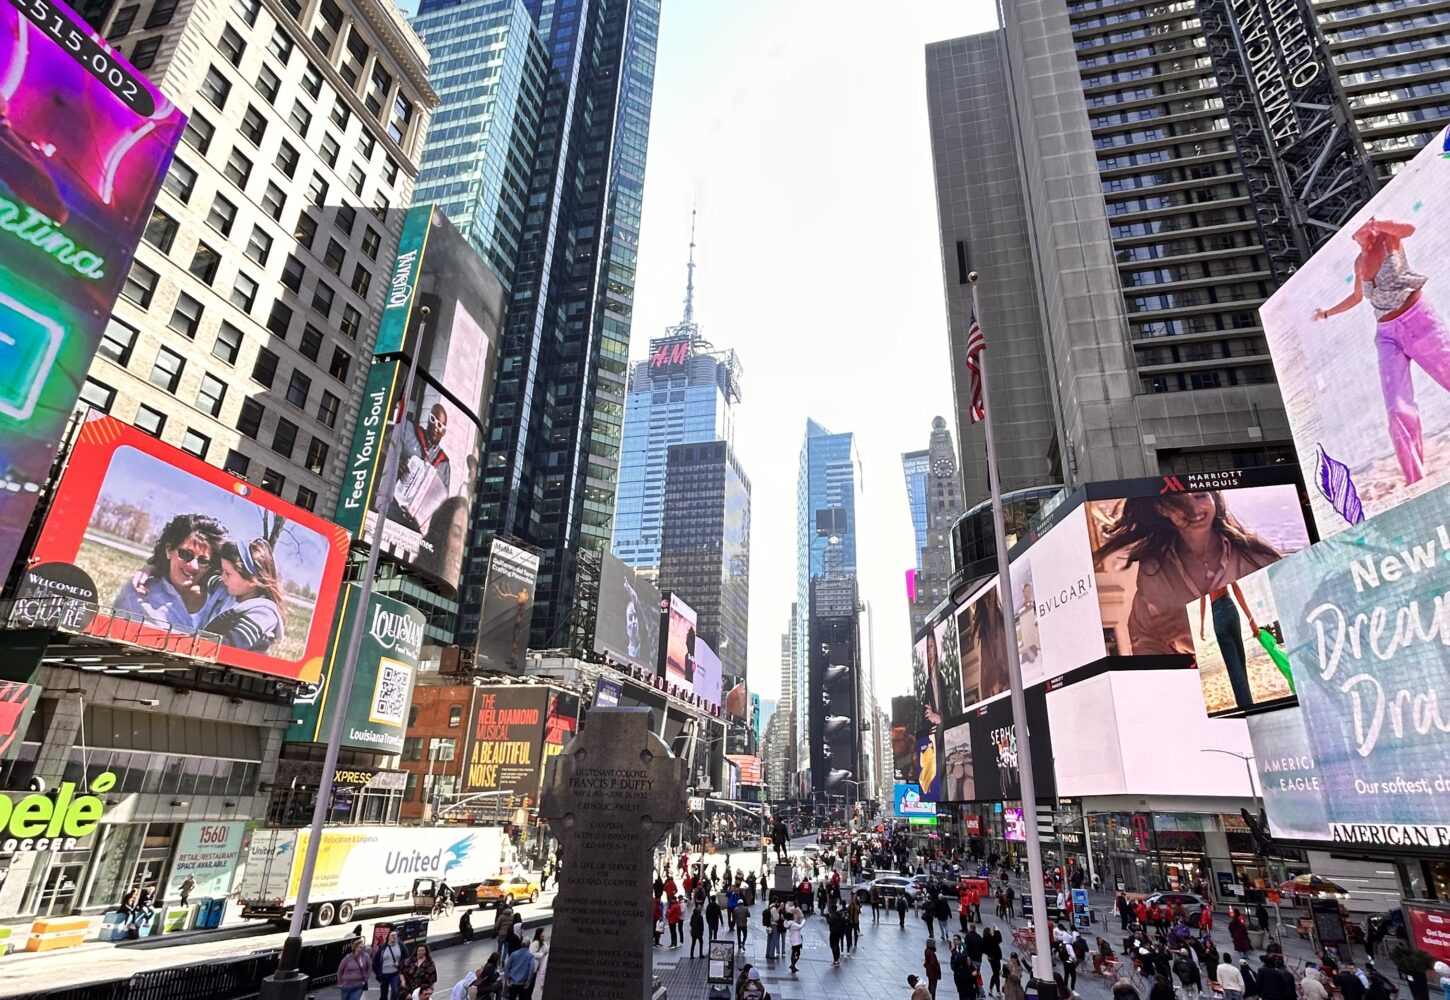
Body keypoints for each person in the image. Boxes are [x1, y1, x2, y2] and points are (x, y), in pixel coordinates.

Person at [1312, 217, 1450, 485]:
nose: (1369, 225)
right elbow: (1356, 297)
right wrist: (1327, 313)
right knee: (1397, 408)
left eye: (1371, 221)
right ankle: (1415, 478)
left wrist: (1383, 223)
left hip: (1419, 320)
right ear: (1354, 234)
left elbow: (1410, 228)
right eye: (1364, 224)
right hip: (1387, 334)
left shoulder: (1388, 238)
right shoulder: (1359, 263)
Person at [1097, 491, 1282, 655]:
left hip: (1263, 664)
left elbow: (1291, 608)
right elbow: (1145, 638)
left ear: (1214, 499)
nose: (1194, 509)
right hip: (1205, 683)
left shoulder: (1256, 556)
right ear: (1162, 509)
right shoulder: (1152, 570)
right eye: (1179, 502)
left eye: (1200, 496)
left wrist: (1194, 624)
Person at [113, 513, 230, 630]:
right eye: (185, 554)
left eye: (203, 561)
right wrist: (154, 567)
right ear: (169, 550)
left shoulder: (222, 597)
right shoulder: (137, 594)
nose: (194, 566)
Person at [205, 538, 286, 652]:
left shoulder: (263, 613)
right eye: (222, 571)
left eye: (227, 573)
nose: (222, 577)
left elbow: (230, 645)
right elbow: (205, 578)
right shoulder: (229, 590)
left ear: (253, 581)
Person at [372, 928, 408, 1000]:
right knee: (384, 994)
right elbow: (375, 962)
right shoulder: (383, 948)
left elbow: (407, 958)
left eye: (395, 935)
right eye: (392, 935)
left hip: (395, 973)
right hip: (384, 974)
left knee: (395, 990)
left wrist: (400, 963)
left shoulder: (401, 945)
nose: (394, 937)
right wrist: (378, 974)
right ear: (388, 937)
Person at [337, 936, 372, 1000]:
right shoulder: (347, 958)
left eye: (364, 947)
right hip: (346, 986)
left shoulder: (366, 957)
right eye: (360, 947)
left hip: (358, 986)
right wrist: (340, 983)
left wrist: (365, 980)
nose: (362, 949)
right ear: (355, 948)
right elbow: (340, 971)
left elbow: (369, 969)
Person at [952, 935, 979, 1000]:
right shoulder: (962, 969)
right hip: (965, 992)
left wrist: (976, 973)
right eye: (954, 939)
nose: (954, 941)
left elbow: (975, 979)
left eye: (955, 939)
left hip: (971, 992)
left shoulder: (970, 967)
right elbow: (964, 978)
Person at [527, 928, 548, 998]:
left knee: (533, 984)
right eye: (542, 933)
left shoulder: (544, 943)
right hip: (533, 967)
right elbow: (531, 953)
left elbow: (546, 951)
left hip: (539, 967)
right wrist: (541, 954)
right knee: (531, 984)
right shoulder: (535, 943)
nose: (543, 934)